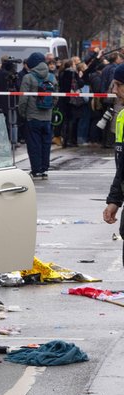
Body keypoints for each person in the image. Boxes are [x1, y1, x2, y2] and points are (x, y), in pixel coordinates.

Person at [19, 52, 56, 180]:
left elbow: (23, 99)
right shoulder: (51, 77)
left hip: (32, 116)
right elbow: (56, 97)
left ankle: (36, 170)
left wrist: (23, 113)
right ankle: (45, 169)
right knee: (46, 144)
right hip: (47, 117)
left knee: (34, 144)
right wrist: (50, 108)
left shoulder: (28, 78)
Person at [102, 65, 124, 259]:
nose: (114, 91)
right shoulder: (122, 116)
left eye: (118, 85)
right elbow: (122, 166)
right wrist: (115, 200)